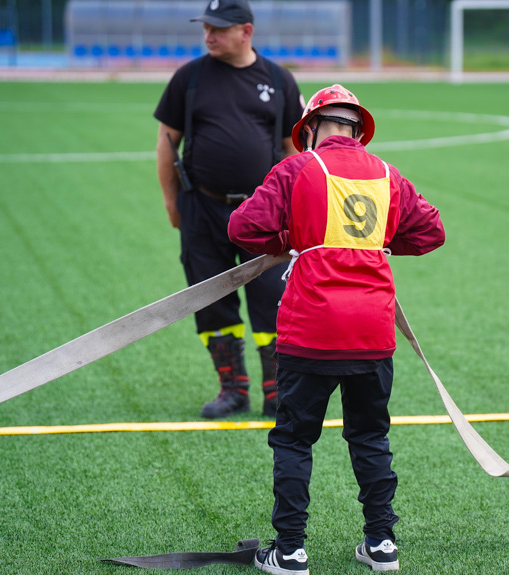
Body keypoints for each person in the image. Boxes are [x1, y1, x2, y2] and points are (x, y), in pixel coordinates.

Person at [228, 84, 446, 574]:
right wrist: (379, 246)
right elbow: (431, 231)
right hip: (372, 331)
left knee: (294, 440)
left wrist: (293, 238)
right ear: (357, 131)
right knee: (370, 437)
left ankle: (289, 552)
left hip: (312, 330)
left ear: (310, 129)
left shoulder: (297, 168)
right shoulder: (388, 174)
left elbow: (242, 229)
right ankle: (382, 545)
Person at [153, 0, 304, 419]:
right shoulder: (190, 77)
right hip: (202, 207)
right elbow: (167, 143)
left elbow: (295, 152)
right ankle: (232, 388)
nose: (209, 35)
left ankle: (278, 391)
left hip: (267, 215)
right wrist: (171, 200)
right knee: (211, 300)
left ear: (246, 32)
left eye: (218, 28)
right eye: (206, 27)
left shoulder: (279, 80)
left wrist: (300, 208)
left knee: (274, 299)